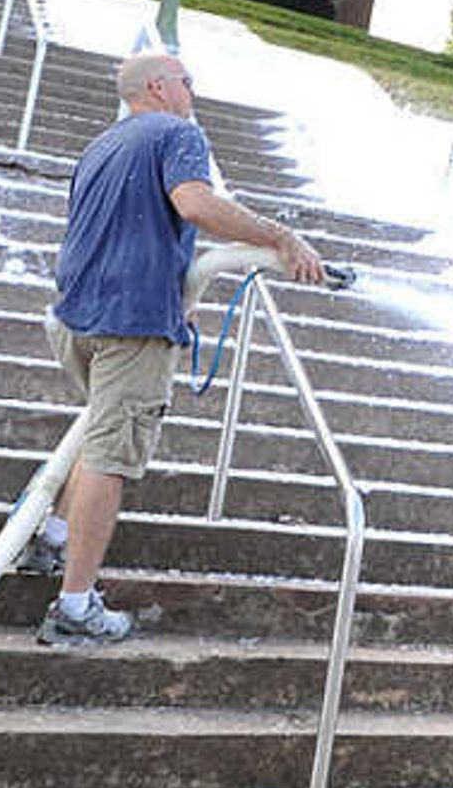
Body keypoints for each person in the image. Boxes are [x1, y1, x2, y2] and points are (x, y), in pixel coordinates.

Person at [31, 48, 322, 645]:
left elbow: (127, 226)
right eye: (188, 81)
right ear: (159, 87)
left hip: (75, 317)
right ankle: (74, 607)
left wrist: (181, 287)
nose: (194, 91)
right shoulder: (178, 133)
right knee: (111, 455)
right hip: (132, 322)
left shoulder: (102, 146)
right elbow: (194, 204)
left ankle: (52, 540)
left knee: (99, 431)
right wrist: (280, 237)